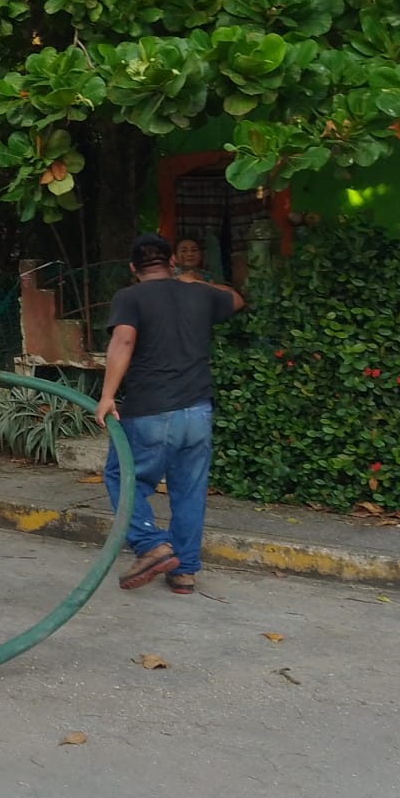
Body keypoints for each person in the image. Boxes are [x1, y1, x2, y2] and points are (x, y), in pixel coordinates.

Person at [94, 232, 243, 594]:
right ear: (172, 261)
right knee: (189, 491)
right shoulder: (199, 292)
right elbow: (237, 299)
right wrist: (197, 281)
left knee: (121, 476)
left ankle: (151, 545)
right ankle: (185, 571)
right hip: (197, 412)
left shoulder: (130, 297)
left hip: (151, 411)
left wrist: (107, 395)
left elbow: (124, 340)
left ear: (133, 268)